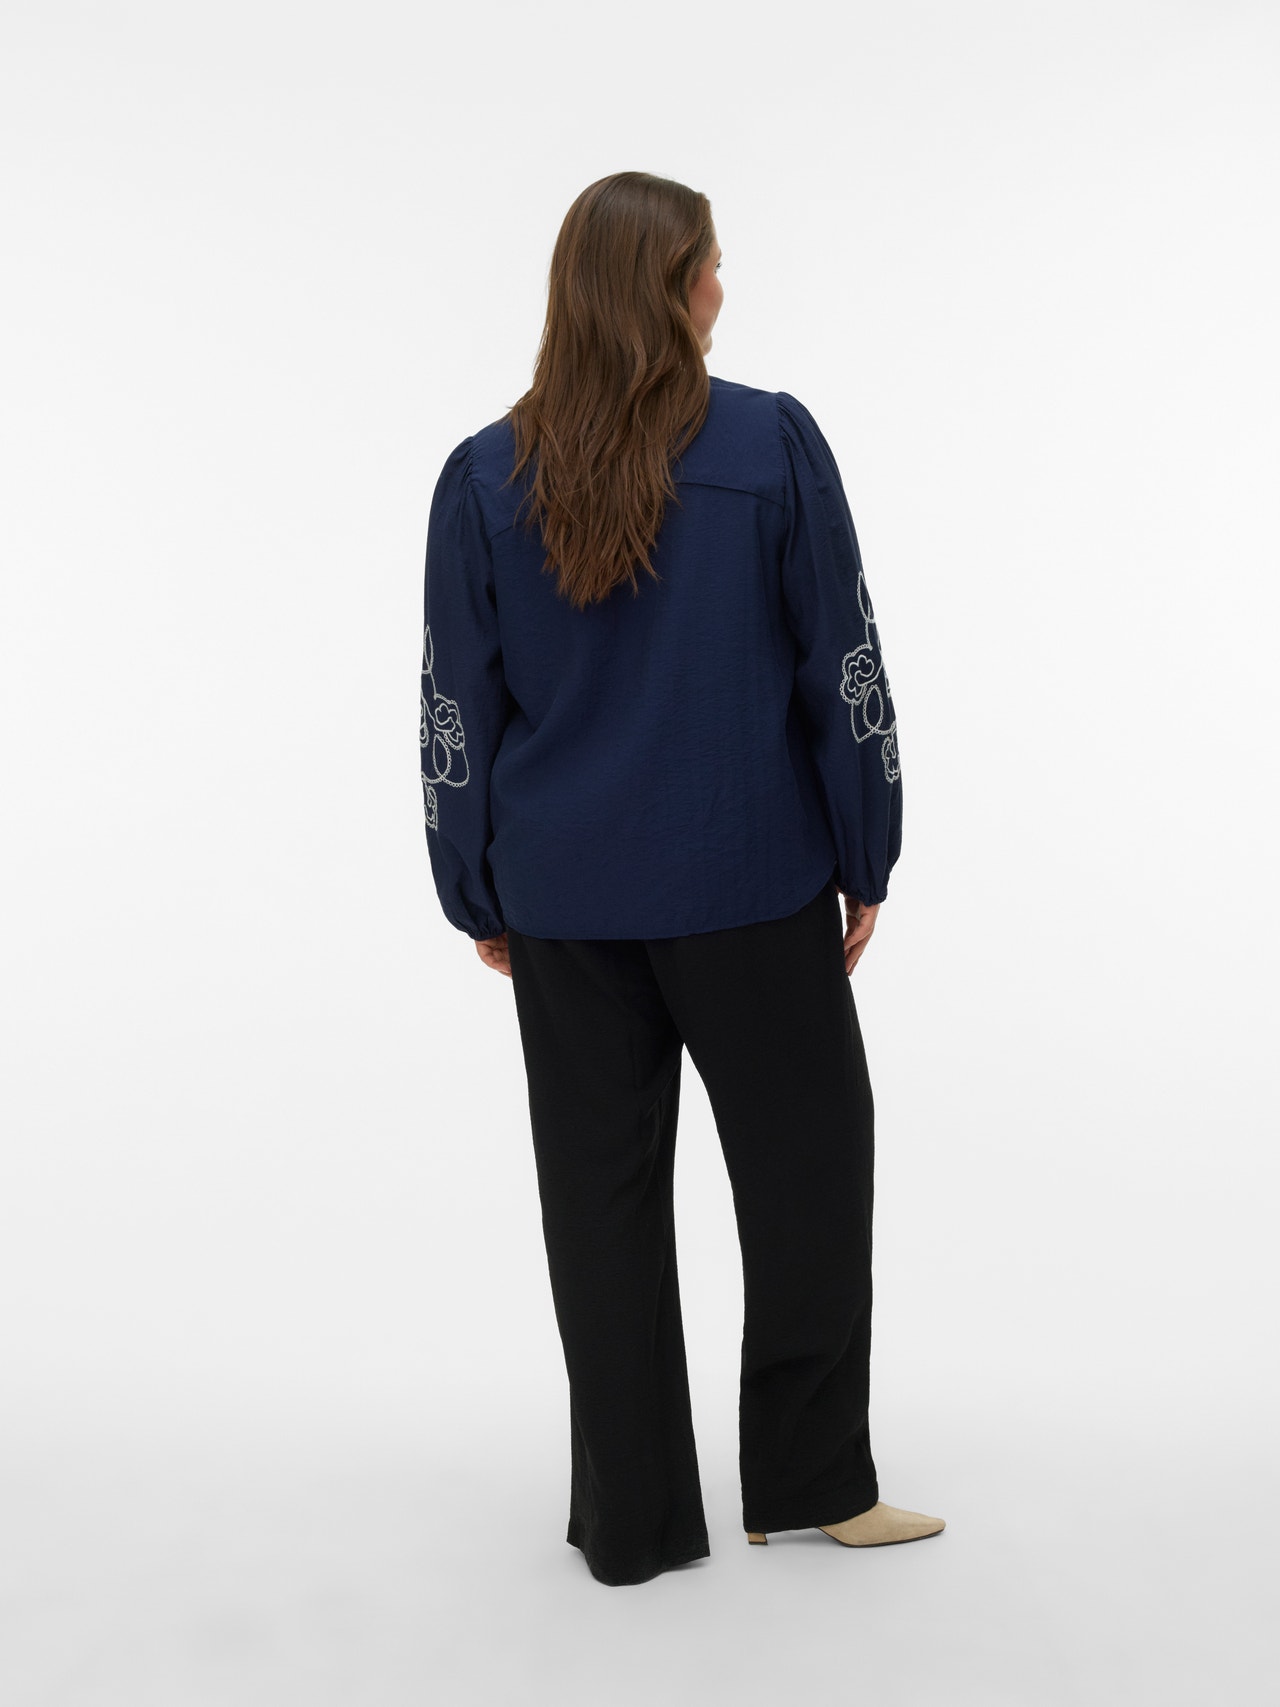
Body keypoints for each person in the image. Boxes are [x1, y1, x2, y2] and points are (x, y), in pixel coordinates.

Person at [418, 170, 945, 1586]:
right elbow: (842, 663)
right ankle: (811, 1481)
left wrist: (475, 887)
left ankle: (633, 1523)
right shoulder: (770, 444)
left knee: (597, 1203)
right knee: (809, 1174)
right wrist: (865, 848)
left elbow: (457, 705)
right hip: (748, 883)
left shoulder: (483, 475)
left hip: (565, 902)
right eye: (712, 264)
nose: (724, 286)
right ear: (669, 286)